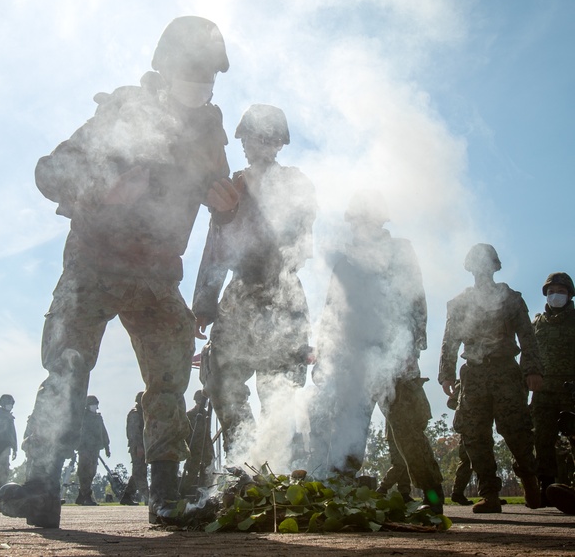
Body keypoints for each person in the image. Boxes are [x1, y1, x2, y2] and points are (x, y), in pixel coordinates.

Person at [0, 16, 239, 529]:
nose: (204, 85)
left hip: (157, 277)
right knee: (68, 364)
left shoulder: (209, 129)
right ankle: (41, 486)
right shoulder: (123, 111)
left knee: (170, 376)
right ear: (165, 68)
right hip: (95, 263)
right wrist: (102, 187)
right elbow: (50, 171)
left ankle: (166, 497)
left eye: (211, 75)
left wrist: (222, 200)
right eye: (194, 72)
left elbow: (214, 189)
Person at [193, 104, 316, 462]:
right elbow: (214, 246)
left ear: (277, 142)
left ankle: (279, 470)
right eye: (246, 137)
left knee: (281, 391)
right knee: (221, 380)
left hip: (282, 295)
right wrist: (204, 302)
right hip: (238, 296)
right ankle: (243, 464)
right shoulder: (231, 186)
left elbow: (300, 244)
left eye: (260, 137)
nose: (250, 145)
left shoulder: (295, 183)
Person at [308, 191, 443, 512]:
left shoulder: (400, 251)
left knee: (407, 428)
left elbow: (415, 299)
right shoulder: (346, 260)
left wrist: (412, 346)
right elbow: (332, 312)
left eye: (365, 219)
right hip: (353, 355)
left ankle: (434, 499)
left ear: (379, 221)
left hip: (394, 353)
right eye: (356, 220)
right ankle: (342, 494)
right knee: (349, 426)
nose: (359, 226)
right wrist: (325, 356)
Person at [438, 243, 543, 512]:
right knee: (474, 435)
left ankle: (530, 482)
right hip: (473, 374)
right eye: (477, 264)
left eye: (487, 264)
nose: (482, 270)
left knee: (517, 430)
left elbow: (528, 337)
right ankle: (490, 494)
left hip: (505, 371)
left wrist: (532, 369)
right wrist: (446, 374)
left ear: (495, 267)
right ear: (470, 268)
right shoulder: (460, 303)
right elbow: (450, 340)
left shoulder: (511, 299)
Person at [531, 272, 575, 500]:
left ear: (569, 294)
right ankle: (546, 488)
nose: (555, 295)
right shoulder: (537, 323)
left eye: (561, 291)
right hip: (543, 391)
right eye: (551, 292)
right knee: (542, 439)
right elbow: (529, 354)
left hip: (571, 390)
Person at [73, 395, 110, 505]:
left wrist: (107, 446)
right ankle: (86, 496)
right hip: (84, 448)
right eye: (92, 405)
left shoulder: (98, 418)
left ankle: (82, 495)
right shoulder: (82, 418)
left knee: (92, 472)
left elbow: (104, 432)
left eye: (95, 405)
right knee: (84, 472)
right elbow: (77, 432)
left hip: (94, 449)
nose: (94, 407)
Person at [182, 389, 215, 498]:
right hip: (194, 448)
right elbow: (186, 433)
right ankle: (183, 493)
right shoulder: (190, 415)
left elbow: (207, 434)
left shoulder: (207, 415)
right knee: (192, 472)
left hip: (205, 448)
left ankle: (204, 494)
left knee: (207, 472)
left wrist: (210, 450)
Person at [119, 392, 146, 505]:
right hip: (137, 447)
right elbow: (134, 433)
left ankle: (127, 495)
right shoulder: (135, 414)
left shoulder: (142, 413)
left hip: (143, 446)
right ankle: (148, 496)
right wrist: (139, 446)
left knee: (138, 471)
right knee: (139, 471)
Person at [0, 394, 18, 496]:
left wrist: (15, 448)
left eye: (11, 404)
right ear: (3, 404)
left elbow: (13, 434)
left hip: (6, 448)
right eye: (9, 404)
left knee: (4, 474)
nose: (11, 406)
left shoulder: (10, 418)